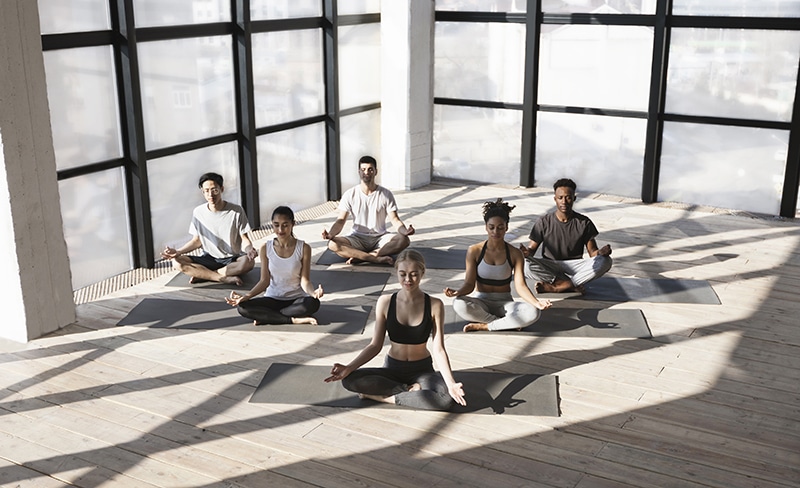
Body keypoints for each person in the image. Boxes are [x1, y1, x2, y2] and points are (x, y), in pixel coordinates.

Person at [324, 249, 466, 411]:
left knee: (445, 399)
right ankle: (407, 390)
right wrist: (349, 367)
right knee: (349, 379)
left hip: (422, 371)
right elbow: (375, 345)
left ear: (422, 272)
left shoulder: (434, 304)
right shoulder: (385, 302)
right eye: (403, 274)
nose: (408, 279)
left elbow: (439, 349)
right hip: (392, 368)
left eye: (413, 274)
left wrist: (451, 383)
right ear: (396, 272)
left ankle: (379, 396)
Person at [444, 199, 552, 332]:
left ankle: (486, 325)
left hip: (505, 303)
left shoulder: (515, 253)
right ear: (486, 227)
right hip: (481, 302)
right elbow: (469, 284)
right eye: (491, 227)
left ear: (506, 227)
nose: (496, 231)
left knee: (533, 312)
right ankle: (503, 323)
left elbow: (521, 286)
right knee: (459, 304)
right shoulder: (474, 251)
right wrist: (457, 292)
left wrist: (537, 303)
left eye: (500, 227)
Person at [225, 206, 323, 325]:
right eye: (276, 225)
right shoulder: (266, 248)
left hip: (296, 300)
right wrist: (246, 297)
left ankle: (267, 316)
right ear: (272, 224)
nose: (280, 229)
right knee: (243, 307)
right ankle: (292, 319)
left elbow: (305, 280)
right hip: (272, 298)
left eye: (285, 225)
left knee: (313, 304)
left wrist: (313, 293)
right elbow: (264, 281)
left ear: (293, 224)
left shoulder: (304, 248)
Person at [161, 172, 257, 286]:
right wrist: (178, 252)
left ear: (222, 189)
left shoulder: (236, 211)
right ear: (202, 192)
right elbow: (196, 241)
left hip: (232, 258)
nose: (210, 194)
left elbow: (244, 238)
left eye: (214, 190)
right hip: (208, 258)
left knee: (249, 263)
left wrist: (249, 249)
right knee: (177, 263)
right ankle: (221, 278)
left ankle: (205, 275)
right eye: (206, 191)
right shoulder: (198, 212)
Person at [520, 178, 612, 294]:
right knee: (523, 264)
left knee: (606, 261)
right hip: (550, 265)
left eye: (568, 197)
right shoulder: (543, 222)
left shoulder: (584, 222)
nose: (564, 201)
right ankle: (569, 284)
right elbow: (531, 249)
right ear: (555, 199)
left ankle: (559, 286)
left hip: (574, 266)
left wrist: (601, 253)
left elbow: (592, 252)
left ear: (574, 198)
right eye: (560, 198)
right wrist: (526, 253)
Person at [322, 155, 415, 265]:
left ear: (376, 172)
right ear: (359, 172)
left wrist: (405, 231)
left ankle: (361, 256)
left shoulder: (386, 194)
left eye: (370, 169)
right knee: (332, 244)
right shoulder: (350, 194)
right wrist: (331, 234)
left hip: (380, 238)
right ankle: (374, 258)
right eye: (363, 170)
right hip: (357, 238)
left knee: (404, 240)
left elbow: (394, 219)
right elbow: (341, 220)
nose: (367, 172)